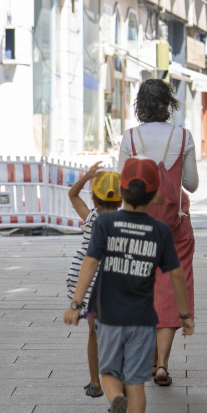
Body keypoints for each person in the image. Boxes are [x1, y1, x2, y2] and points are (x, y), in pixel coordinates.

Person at [64, 157, 194, 413]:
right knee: (137, 383)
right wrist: (185, 314)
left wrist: (76, 303)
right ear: (152, 196)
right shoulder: (160, 231)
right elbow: (176, 274)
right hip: (142, 320)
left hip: (109, 317)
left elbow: (91, 263)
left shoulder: (105, 225)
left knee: (110, 374)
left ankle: (115, 400)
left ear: (122, 191)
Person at [118, 79, 198, 387]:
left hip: (138, 224)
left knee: (144, 287)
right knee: (171, 288)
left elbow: (123, 185)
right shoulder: (182, 136)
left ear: (140, 104)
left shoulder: (131, 138)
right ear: (168, 104)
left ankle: (148, 358)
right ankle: (162, 362)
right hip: (174, 224)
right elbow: (190, 185)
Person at [66, 161, 122, 398]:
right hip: (114, 282)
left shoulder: (90, 218)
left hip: (86, 283)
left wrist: (87, 176)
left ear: (95, 200)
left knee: (94, 333)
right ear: (120, 200)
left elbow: (72, 194)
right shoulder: (125, 222)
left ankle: (94, 382)